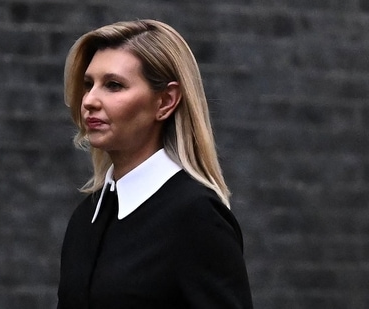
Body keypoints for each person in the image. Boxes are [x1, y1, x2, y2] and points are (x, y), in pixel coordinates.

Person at [57, 19, 253, 309]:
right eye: (89, 84)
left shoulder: (196, 216)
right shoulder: (86, 217)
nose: (90, 100)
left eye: (113, 85)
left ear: (165, 101)